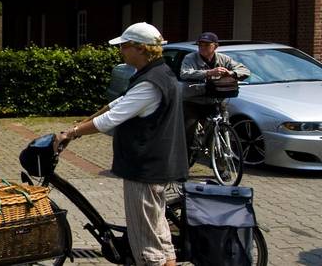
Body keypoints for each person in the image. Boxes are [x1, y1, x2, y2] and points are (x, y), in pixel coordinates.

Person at [56, 22, 187, 266]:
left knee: (146, 243)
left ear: (140, 48)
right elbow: (117, 104)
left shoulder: (150, 83)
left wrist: (72, 133)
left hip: (144, 170)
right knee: (159, 234)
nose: (121, 51)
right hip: (157, 166)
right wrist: (81, 123)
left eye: (125, 46)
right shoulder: (159, 73)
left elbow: (110, 119)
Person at [179, 31, 250, 162]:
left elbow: (245, 70)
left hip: (216, 100)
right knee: (188, 131)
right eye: (200, 44)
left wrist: (231, 73)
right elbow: (184, 73)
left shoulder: (224, 59)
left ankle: (221, 165)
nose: (203, 47)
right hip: (193, 100)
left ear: (215, 46)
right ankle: (184, 164)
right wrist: (208, 73)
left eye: (207, 44)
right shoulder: (190, 58)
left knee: (222, 128)